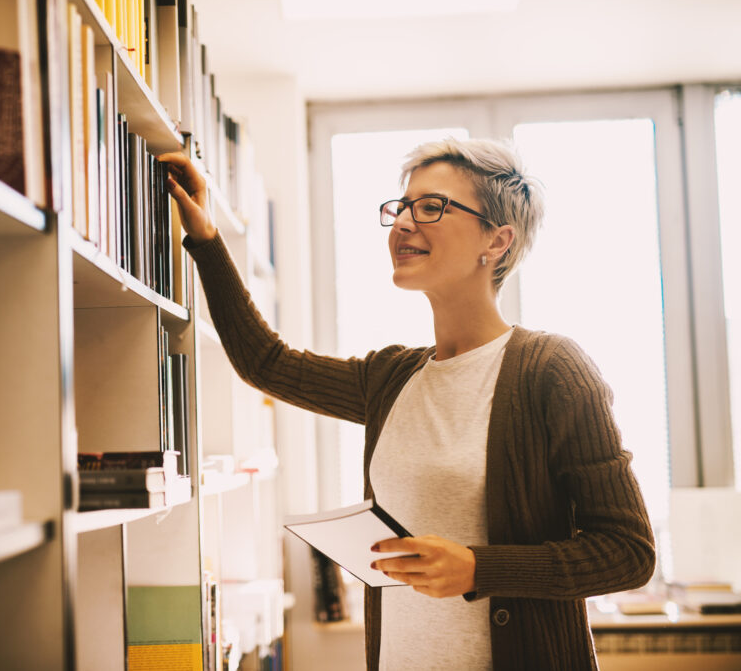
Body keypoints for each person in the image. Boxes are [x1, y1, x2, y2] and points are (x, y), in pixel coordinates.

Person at [159, 138, 655, 671]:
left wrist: (477, 569)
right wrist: (206, 236)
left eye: (431, 207)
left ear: (498, 239)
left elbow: (628, 552)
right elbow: (267, 364)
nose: (402, 223)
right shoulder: (392, 377)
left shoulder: (552, 371)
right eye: (401, 206)